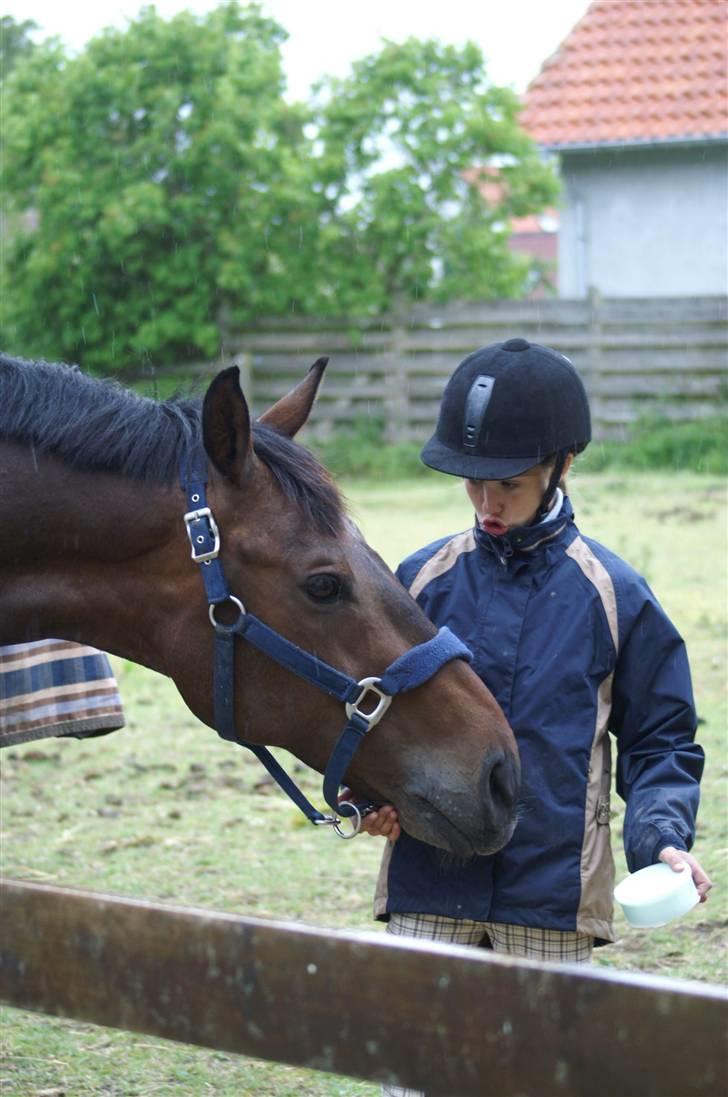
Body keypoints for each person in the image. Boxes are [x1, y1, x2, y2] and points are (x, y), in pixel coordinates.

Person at [359, 337, 711, 1097]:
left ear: (562, 464)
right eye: (473, 483)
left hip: (551, 897)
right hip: (430, 885)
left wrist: (662, 838)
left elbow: (660, 740)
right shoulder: (418, 581)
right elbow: (371, 719)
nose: (487, 504)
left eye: (509, 485)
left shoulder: (615, 594)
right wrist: (365, 799)